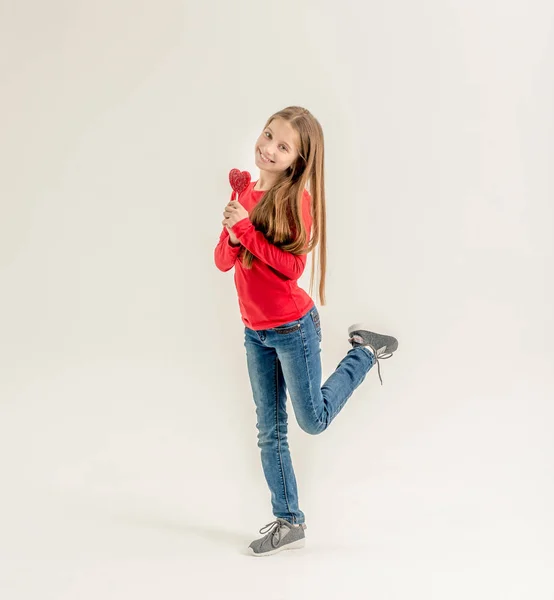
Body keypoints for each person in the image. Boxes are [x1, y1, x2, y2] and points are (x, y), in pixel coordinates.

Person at [214, 106, 398, 557]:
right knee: (269, 430)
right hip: (254, 332)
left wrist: (247, 232)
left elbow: (291, 267)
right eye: (268, 135)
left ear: (297, 160)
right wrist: (233, 236)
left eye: (283, 146)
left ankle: (364, 353)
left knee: (312, 421)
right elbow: (222, 261)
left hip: (293, 328)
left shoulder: (297, 201)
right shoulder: (246, 197)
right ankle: (288, 520)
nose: (269, 148)